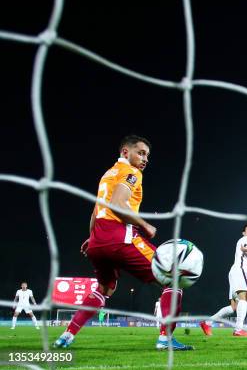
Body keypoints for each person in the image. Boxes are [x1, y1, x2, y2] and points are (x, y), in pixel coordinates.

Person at [54, 135, 193, 350]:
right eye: (141, 153)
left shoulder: (108, 174)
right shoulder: (131, 172)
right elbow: (117, 204)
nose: (145, 159)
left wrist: (92, 238)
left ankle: (67, 335)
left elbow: (96, 211)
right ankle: (165, 339)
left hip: (98, 242)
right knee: (173, 278)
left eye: (147, 155)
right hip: (120, 238)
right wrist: (146, 225)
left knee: (104, 288)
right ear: (125, 153)